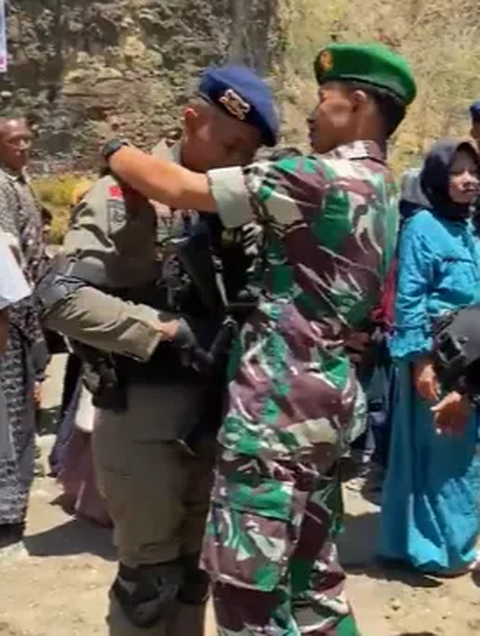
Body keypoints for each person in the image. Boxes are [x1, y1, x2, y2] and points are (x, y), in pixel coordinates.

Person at [101, 42, 416, 636]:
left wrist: (117, 152)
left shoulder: (314, 178)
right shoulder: (384, 189)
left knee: (248, 594)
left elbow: (177, 187)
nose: (311, 115)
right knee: (315, 583)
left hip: (274, 412)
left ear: (357, 104)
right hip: (327, 406)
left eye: (323, 101)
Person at [38, 64, 278, 636]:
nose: (235, 164)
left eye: (245, 154)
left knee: (196, 572)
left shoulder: (227, 204)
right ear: (191, 121)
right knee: (149, 581)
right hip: (141, 414)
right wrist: (160, 330)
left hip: (212, 412)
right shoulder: (124, 196)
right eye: (229, 145)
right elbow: (60, 297)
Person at [379, 139, 480, 575]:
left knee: (463, 454)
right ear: (439, 176)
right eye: (458, 171)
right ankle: (428, 548)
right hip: (437, 355)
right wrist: (420, 360)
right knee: (434, 449)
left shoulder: (473, 228)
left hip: (473, 357)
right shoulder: (422, 226)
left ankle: (457, 543)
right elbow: (410, 298)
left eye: (474, 171)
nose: (468, 179)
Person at [0, 118, 49, 553]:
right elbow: (6, 255)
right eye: (15, 141)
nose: (24, 147)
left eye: (27, 139)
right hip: (9, 311)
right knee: (11, 415)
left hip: (23, 304)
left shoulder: (20, 182)